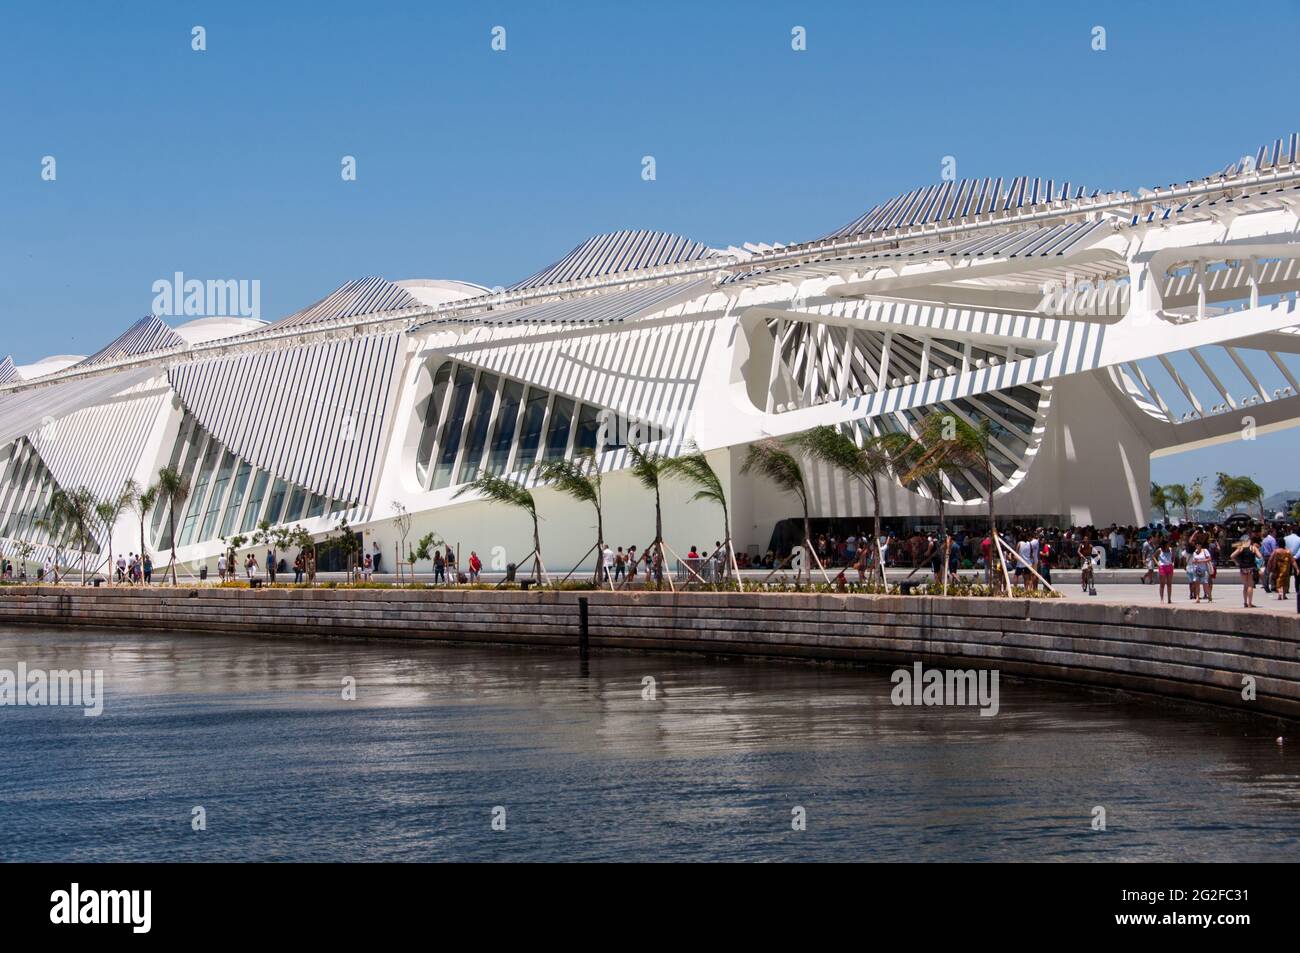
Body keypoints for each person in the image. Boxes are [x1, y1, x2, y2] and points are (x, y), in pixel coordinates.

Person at [1230, 536, 1262, 608]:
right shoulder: (1253, 548)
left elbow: (1232, 556)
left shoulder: (1241, 548)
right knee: (1250, 585)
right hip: (1251, 567)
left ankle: (1245, 602)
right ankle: (1250, 603)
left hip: (1243, 568)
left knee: (1245, 585)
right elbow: (1260, 556)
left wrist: (1236, 562)